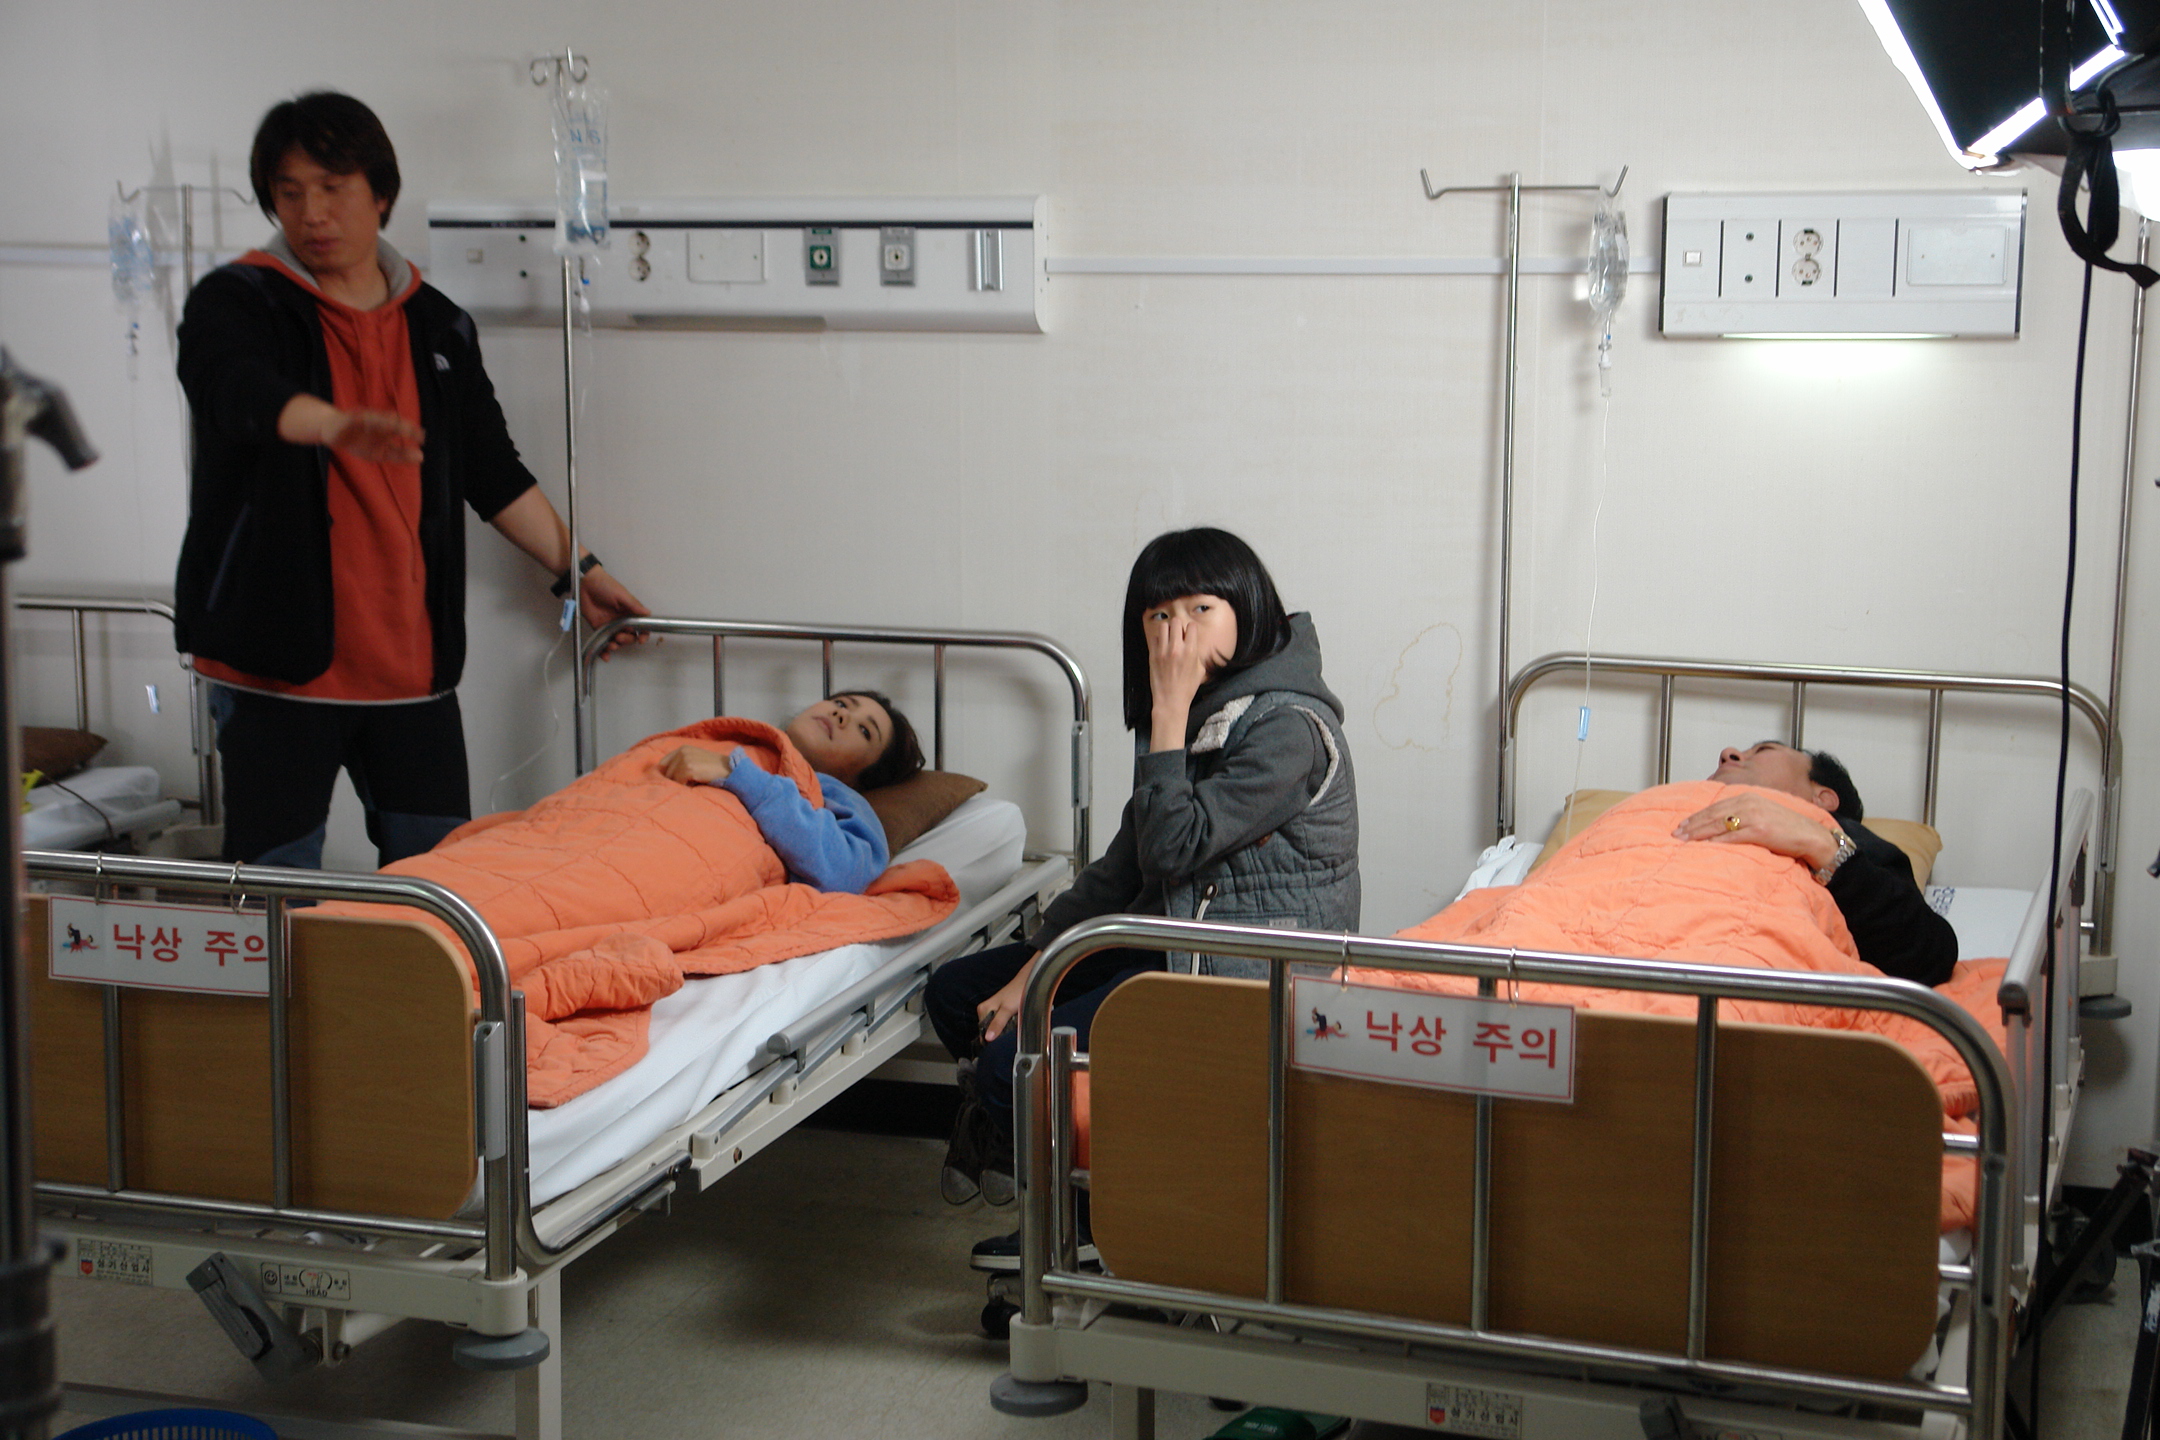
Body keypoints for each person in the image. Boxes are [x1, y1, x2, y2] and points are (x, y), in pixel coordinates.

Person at [174, 91, 651, 869]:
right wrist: (328, 423)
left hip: (410, 670)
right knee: (275, 888)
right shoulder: (239, 300)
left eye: (332, 188)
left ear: (381, 194)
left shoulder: (438, 325)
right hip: (275, 667)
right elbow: (233, 390)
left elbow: (491, 470)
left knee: (441, 882)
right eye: (290, 193)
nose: (311, 213)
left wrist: (580, 570)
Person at [925, 527, 1359, 1272]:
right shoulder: (1199, 714)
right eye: (1159, 616)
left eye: (1200, 609)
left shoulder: (1288, 728)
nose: (1177, 632)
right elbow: (1123, 868)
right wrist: (1034, 967)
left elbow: (1172, 848)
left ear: (1249, 609)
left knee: (1008, 1068)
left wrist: (1167, 712)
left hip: (1250, 979)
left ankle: (1098, 1222)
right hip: (1177, 942)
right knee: (959, 995)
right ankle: (1068, 1185)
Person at [1673, 741, 1957, 986]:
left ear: (1823, 798)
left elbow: (1927, 956)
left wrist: (1823, 847)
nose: (1728, 753)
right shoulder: (1666, 807)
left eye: (1763, 750)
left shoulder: (1846, 837)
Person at [656, 690, 926, 894]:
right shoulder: (724, 740)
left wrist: (738, 775)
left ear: (865, 776)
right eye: (842, 704)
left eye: (865, 730)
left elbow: (845, 870)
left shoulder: (839, 798)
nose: (841, 715)